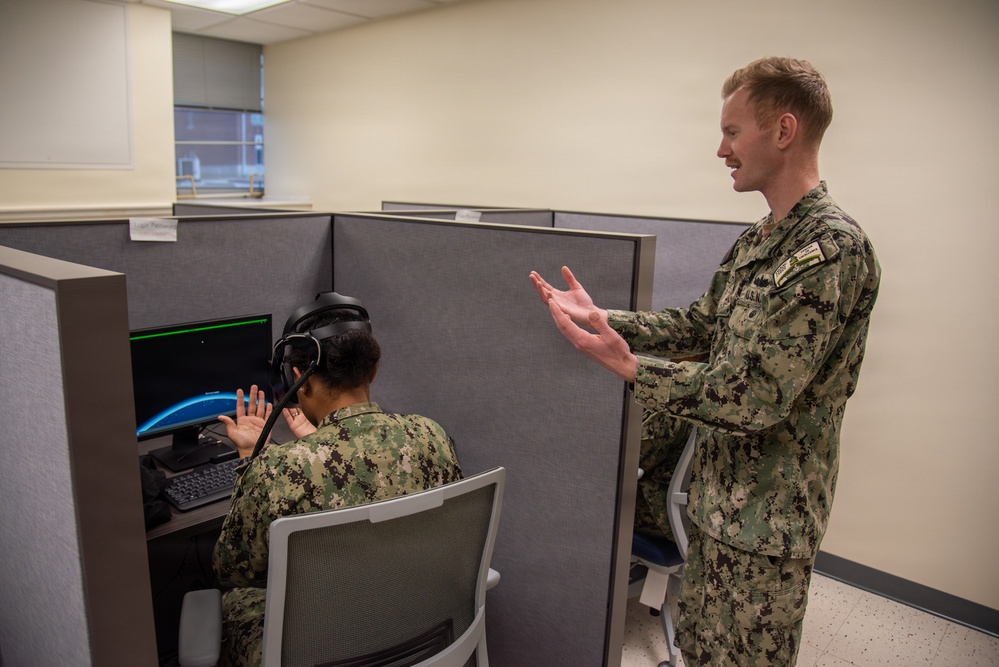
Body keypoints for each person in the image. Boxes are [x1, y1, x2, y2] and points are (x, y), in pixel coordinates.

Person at [530, 56, 881, 666]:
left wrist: (632, 367)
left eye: (732, 131)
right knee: (698, 649)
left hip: (768, 523)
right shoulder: (761, 239)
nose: (721, 149)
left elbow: (754, 396)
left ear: (783, 131)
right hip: (717, 503)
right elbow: (700, 325)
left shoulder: (829, 251)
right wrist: (607, 319)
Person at [211, 295, 463, 667]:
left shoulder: (277, 468)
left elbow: (232, 569)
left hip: (323, 645)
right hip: (416, 623)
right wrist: (316, 447)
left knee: (237, 598)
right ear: (373, 370)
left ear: (297, 377)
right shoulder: (431, 434)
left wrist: (253, 459)